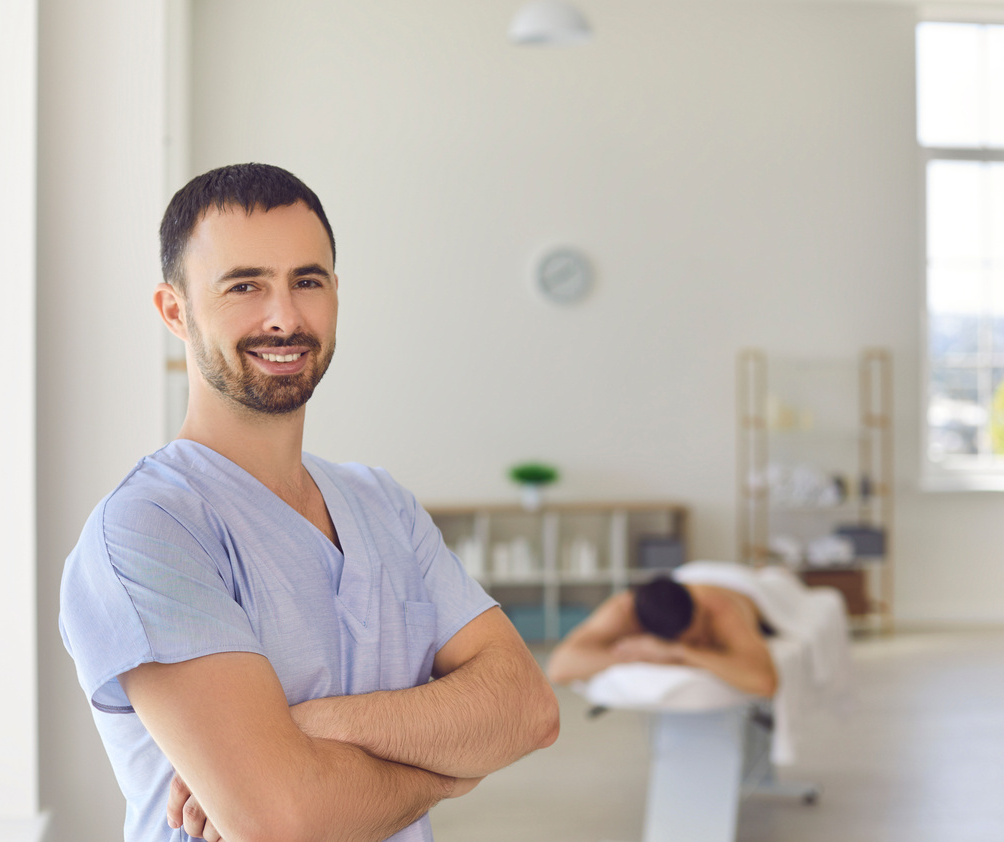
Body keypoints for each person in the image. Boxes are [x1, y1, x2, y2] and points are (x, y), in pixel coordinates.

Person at [59, 163, 560, 842]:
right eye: (244, 285)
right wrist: (452, 767)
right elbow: (284, 822)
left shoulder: (382, 504)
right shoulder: (149, 528)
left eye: (307, 281)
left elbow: (528, 711)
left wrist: (313, 726)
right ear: (174, 311)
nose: (285, 317)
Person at [545, 573, 778, 697]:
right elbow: (560, 668)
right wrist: (645, 654)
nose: (701, 644)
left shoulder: (718, 608)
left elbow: (765, 683)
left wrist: (679, 652)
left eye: (696, 639)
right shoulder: (625, 610)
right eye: (685, 640)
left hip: (753, 588)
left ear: (699, 611)